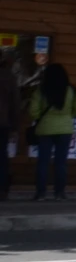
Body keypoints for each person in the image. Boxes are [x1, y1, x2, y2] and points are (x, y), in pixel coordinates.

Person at [24, 63, 76, 201]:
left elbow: (33, 111)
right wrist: (67, 117)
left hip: (45, 129)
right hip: (65, 129)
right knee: (61, 162)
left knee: (43, 162)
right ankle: (59, 193)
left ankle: (41, 193)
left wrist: (41, 119)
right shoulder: (71, 90)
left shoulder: (41, 91)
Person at [0, 63, 18, 200]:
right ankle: (2, 189)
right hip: (3, 122)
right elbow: (15, 103)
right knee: (2, 156)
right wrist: (14, 126)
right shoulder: (8, 77)